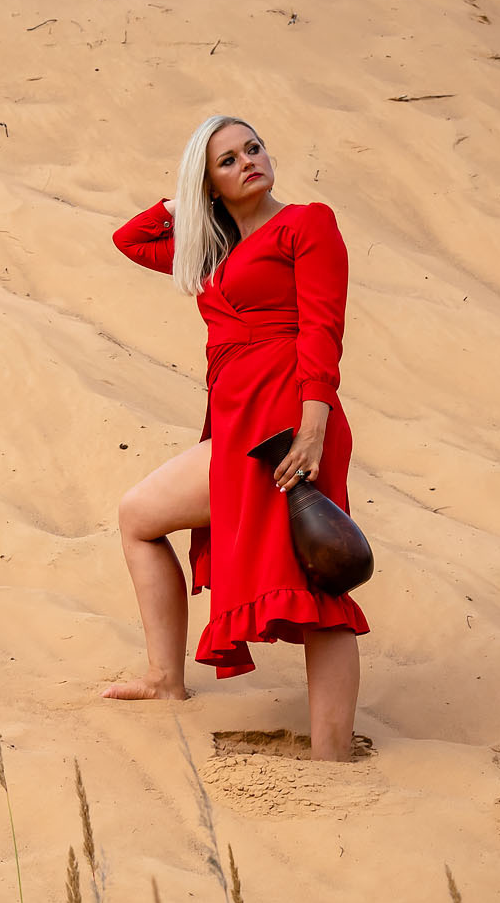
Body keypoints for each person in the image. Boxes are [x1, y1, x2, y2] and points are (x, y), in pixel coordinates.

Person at [102, 115, 367, 760]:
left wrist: (312, 427)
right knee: (139, 515)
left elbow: (322, 330)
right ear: (209, 186)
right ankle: (166, 681)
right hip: (233, 421)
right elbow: (131, 241)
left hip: (288, 417)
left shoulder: (307, 223)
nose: (250, 161)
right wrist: (182, 201)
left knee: (317, 574)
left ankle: (332, 757)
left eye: (254, 148)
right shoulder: (214, 249)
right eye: (227, 160)